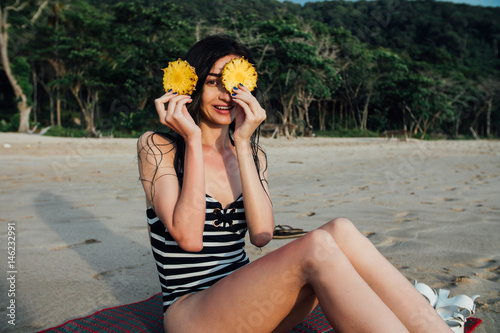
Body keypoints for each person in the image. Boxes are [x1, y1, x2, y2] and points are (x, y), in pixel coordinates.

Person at [137, 35, 452, 333]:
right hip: (194, 315)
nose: (226, 95)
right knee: (315, 248)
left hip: (252, 301)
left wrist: (244, 143)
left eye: (234, 84)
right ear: (191, 86)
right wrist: (192, 139)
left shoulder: (251, 154)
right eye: (212, 82)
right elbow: (189, 238)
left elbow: (262, 235)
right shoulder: (158, 146)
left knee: (340, 229)